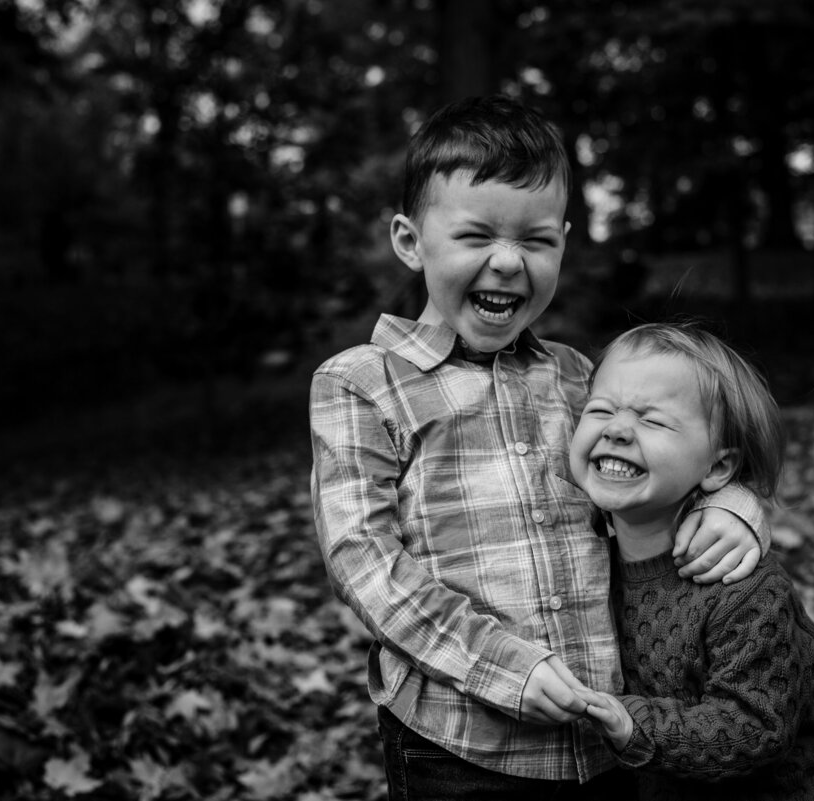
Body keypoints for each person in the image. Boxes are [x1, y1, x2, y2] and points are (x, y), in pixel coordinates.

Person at [309, 95, 771, 799]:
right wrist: (506, 666)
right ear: (410, 240)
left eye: (535, 239)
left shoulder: (579, 376)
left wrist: (734, 500)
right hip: (460, 744)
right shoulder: (362, 384)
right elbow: (366, 563)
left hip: (608, 731)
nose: (507, 261)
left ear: (563, 239)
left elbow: (655, 472)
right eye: (475, 236)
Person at [574, 322, 814, 799]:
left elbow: (755, 728)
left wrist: (631, 724)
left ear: (719, 467)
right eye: (600, 409)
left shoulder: (744, 592)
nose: (617, 429)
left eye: (653, 420)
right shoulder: (581, 557)